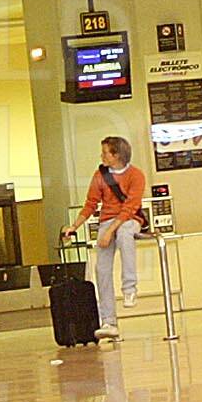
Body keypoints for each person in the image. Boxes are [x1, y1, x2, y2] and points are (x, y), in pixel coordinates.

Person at [59, 138, 146, 341]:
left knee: (124, 234)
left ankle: (129, 288)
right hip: (107, 220)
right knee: (102, 269)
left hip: (129, 220)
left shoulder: (136, 175)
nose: (102, 156)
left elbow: (130, 207)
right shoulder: (100, 175)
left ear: (117, 155)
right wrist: (74, 226)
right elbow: (91, 204)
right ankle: (108, 321)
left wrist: (109, 232)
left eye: (105, 152)